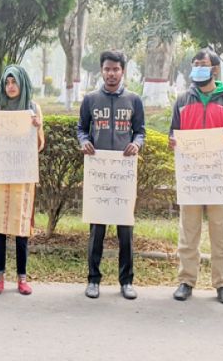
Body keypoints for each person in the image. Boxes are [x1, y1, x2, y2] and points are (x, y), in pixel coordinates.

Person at [169, 48, 223, 305]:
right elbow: (173, 132)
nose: (197, 68)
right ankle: (186, 281)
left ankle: (222, 284)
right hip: (191, 178)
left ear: (214, 69)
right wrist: (173, 141)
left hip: (218, 178)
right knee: (188, 232)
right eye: (194, 64)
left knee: (221, 233)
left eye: (202, 64)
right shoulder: (182, 100)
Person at [77, 51, 145, 300]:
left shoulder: (134, 100)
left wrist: (136, 144)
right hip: (100, 175)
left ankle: (126, 281)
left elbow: (140, 131)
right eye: (107, 69)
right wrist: (84, 141)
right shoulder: (91, 99)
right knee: (97, 231)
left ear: (122, 71)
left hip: (123, 174)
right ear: (101, 71)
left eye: (116, 69)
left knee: (125, 232)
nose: (111, 73)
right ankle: (93, 280)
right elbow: (81, 129)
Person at [0, 64, 44, 296]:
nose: (10, 86)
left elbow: (39, 146)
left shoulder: (32, 109)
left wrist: (37, 128)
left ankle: (22, 279)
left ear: (22, 83)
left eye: (14, 82)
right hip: (1, 176)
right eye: (7, 82)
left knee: (21, 227)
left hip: (23, 177)